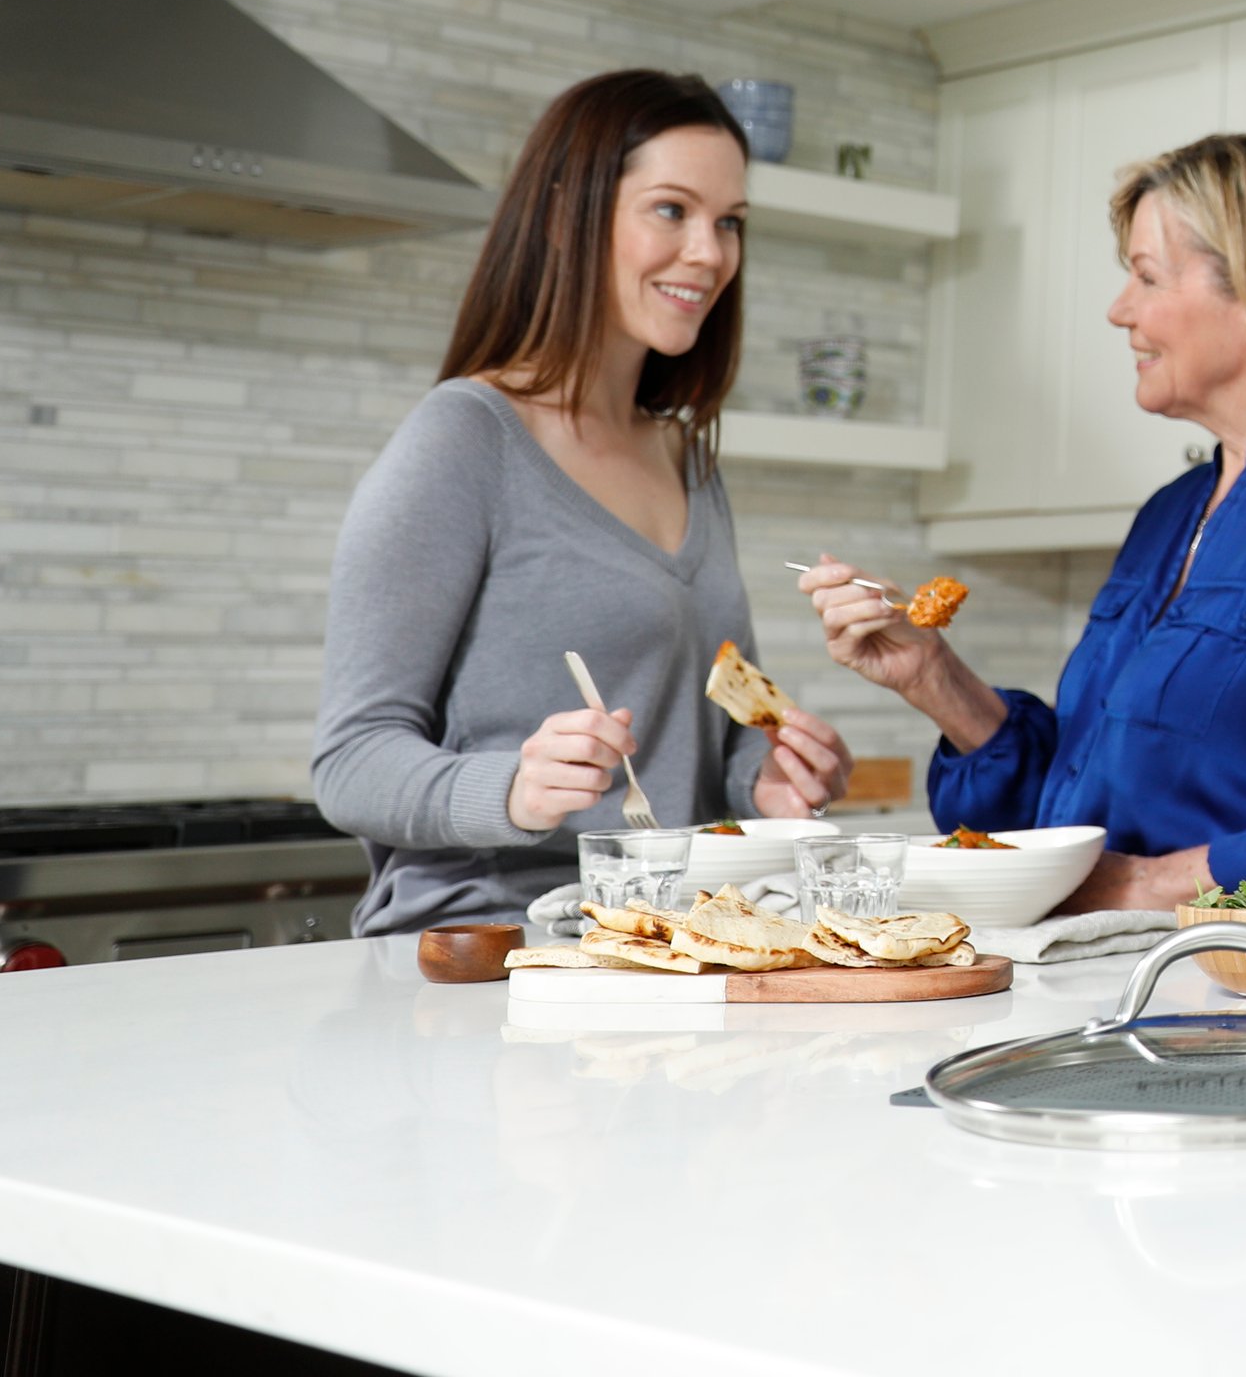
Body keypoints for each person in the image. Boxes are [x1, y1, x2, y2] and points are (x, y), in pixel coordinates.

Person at [803, 134, 1246, 930]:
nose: (1119, 308)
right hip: (1112, 982)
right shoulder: (1172, 512)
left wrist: (1148, 888)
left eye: (1147, 276)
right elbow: (1076, 816)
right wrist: (932, 676)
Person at [314, 69, 850, 936]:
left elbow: (722, 713)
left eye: (729, 223)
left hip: (665, 944)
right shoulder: (464, 441)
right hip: (492, 957)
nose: (710, 253)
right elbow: (350, 761)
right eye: (672, 210)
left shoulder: (688, 456)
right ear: (573, 214)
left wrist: (768, 775)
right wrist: (515, 790)